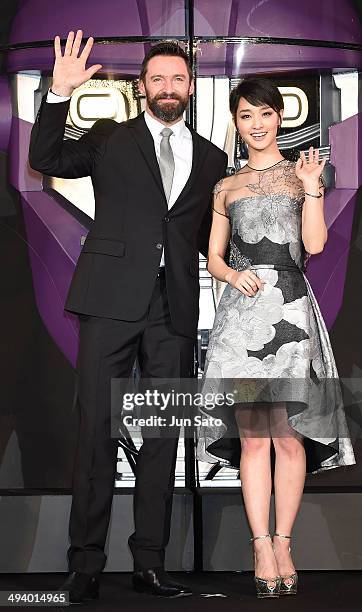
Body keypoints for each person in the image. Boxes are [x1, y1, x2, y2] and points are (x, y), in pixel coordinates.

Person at [29, 30, 227, 602]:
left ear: (192, 88)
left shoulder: (213, 158)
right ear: (142, 87)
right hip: (109, 302)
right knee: (94, 432)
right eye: (158, 79)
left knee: (164, 438)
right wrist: (59, 95)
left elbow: (218, 236)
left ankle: (149, 564)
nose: (168, 88)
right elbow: (46, 158)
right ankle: (85, 565)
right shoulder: (110, 138)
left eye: (179, 79)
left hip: (174, 311)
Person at [198, 77, 356, 598]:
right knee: (252, 438)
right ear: (236, 122)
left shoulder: (300, 175)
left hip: (290, 311)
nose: (258, 124)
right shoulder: (226, 186)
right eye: (247, 115)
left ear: (280, 118)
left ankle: (284, 541)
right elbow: (215, 255)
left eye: (266, 114)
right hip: (241, 319)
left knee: (288, 438)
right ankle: (260, 544)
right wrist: (228, 275)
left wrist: (312, 188)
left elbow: (313, 242)